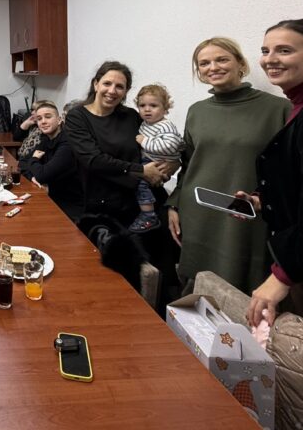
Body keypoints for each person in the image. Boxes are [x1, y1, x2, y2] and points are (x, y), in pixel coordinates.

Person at [166, 37, 289, 294]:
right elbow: (188, 163)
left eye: (222, 59)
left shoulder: (278, 109)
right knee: (198, 290)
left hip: (245, 217)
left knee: (240, 292)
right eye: (204, 63)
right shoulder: (197, 111)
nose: (213, 67)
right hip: (198, 213)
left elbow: (288, 174)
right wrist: (174, 204)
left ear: (241, 63)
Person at [241, 20, 303, 326]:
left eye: (284, 50)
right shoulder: (295, 106)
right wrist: (261, 200)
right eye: (265, 51)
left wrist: (282, 276)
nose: (270, 59)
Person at [65, 61, 169, 224]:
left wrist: (170, 164)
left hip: (143, 201)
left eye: (120, 86)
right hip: (104, 205)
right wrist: (142, 170)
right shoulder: (77, 117)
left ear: (126, 91)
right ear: (96, 84)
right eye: (107, 83)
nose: (112, 91)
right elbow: (93, 160)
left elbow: (158, 141)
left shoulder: (132, 116)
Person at [129, 84, 184, 234]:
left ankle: (148, 215)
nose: (147, 109)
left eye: (153, 105)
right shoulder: (147, 123)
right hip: (149, 159)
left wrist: (145, 141)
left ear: (165, 109)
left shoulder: (165, 126)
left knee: (141, 184)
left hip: (158, 163)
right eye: (142, 105)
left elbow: (169, 146)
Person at [18, 100, 83, 221]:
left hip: (68, 205)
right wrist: (32, 177)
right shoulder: (46, 139)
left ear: (59, 120)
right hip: (49, 195)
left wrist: (34, 160)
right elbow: (22, 163)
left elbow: (42, 175)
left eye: (48, 117)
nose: (43, 121)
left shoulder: (68, 143)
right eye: (39, 118)